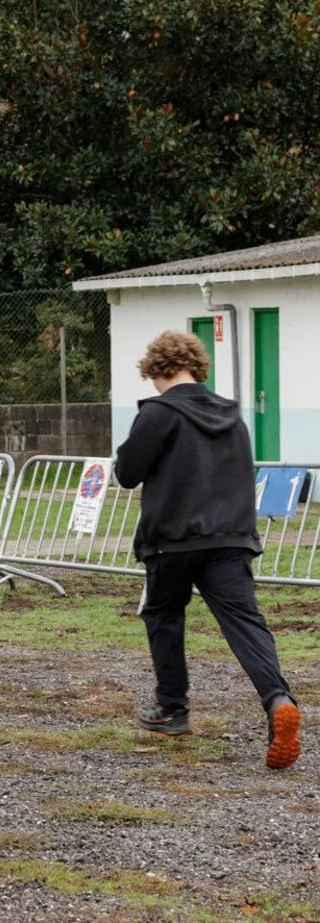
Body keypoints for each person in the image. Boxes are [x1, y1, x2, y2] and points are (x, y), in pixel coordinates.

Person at [115, 330, 300, 770]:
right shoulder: (232, 416)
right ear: (198, 368)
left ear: (156, 370)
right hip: (230, 539)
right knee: (245, 623)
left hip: (172, 540)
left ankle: (172, 710)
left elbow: (127, 472)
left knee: (163, 615)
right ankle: (277, 701)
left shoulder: (158, 412)